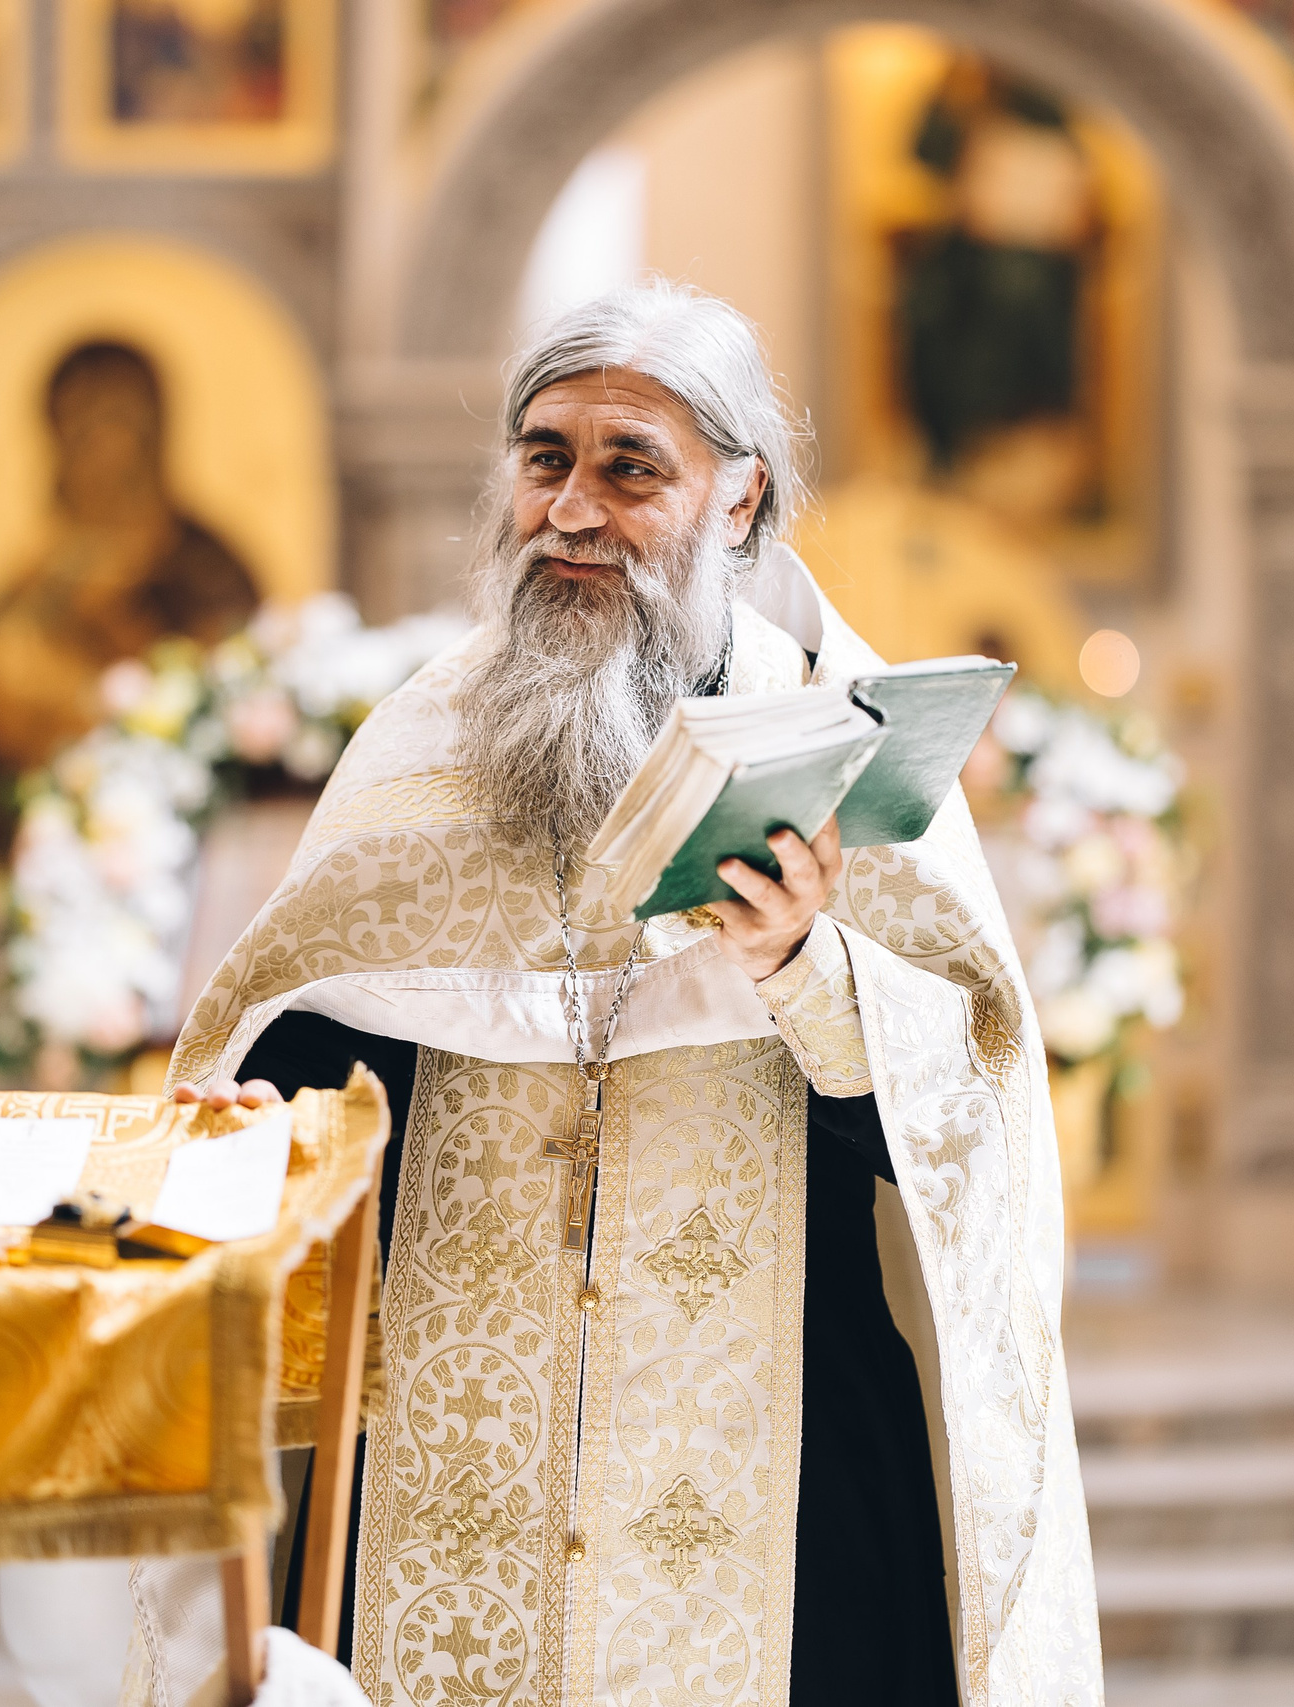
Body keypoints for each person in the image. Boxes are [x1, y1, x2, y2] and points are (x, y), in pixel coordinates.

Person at [140, 283, 1099, 1706]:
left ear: (739, 495)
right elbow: (314, 1031)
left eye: (629, 465)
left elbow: (968, 1130)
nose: (572, 508)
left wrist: (807, 969)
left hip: (785, 1473)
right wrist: (255, 1127)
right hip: (444, 1444)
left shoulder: (842, 731)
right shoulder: (423, 744)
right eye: (546, 458)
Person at [0, 339, 260, 859]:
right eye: (86, 427)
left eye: (125, 422)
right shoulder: (26, 594)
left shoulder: (209, 572)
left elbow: (237, 694)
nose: (109, 451)